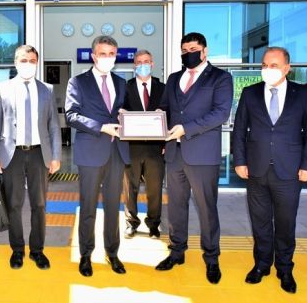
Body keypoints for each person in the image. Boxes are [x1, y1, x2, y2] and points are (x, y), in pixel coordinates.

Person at [232, 47, 307, 293]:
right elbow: (239, 130)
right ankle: (261, 265)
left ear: (287, 68)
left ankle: (285, 268)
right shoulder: (250, 93)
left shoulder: (303, 94)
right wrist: (239, 160)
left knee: (285, 223)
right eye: (264, 65)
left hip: (289, 170)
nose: (268, 69)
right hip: (256, 169)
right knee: (259, 222)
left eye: (274, 65)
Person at [155, 32, 232, 285]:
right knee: (176, 206)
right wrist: (153, 120)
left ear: (204, 51)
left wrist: (186, 129)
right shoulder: (173, 78)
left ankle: (212, 258)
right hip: (174, 153)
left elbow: (220, 114)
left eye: (193, 49)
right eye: (184, 50)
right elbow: (165, 108)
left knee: (206, 207)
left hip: (202, 155)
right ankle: (177, 252)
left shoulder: (220, 78)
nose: (188, 53)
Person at [0, 45, 62, 270]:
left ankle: (37, 250)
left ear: (37, 63)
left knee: (39, 204)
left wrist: (56, 156)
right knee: (14, 204)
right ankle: (17, 250)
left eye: (32, 60)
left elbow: (53, 125)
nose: (28, 64)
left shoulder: (47, 89)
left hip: (40, 154)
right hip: (12, 154)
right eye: (23, 60)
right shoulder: (2, 89)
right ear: (15, 62)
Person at [65, 35, 131, 277]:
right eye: (103, 54)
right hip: (90, 152)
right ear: (94, 56)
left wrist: (126, 115)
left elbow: (123, 113)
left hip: (116, 152)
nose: (107, 58)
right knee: (88, 206)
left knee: (114, 207)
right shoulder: (78, 82)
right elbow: (71, 116)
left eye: (111, 54)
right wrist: (101, 127)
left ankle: (112, 253)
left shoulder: (121, 83)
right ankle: (85, 254)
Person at [122, 49, 165, 239]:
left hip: (156, 148)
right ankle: (131, 223)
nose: (142, 65)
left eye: (146, 61)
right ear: (134, 65)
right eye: (139, 62)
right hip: (131, 147)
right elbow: (118, 111)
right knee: (129, 188)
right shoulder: (125, 88)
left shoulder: (162, 88)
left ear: (152, 64)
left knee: (154, 189)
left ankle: (154, 224)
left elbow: (170, 113)